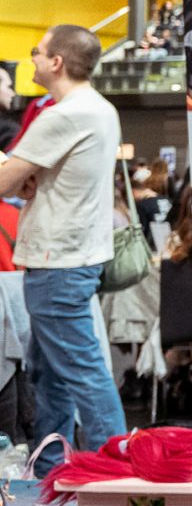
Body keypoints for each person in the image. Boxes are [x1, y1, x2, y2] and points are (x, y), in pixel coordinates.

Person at [0, 26, 125, 475]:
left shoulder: (64, 115)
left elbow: (6, 181)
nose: (31, 59)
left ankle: (117, 471)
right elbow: (27, 179)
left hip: (58, 263)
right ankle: (51, 468)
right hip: (71, 259)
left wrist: (18, 176)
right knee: (51, 374)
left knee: (82, 374)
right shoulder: (101, 110)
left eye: (37, 51)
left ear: (56, 62)